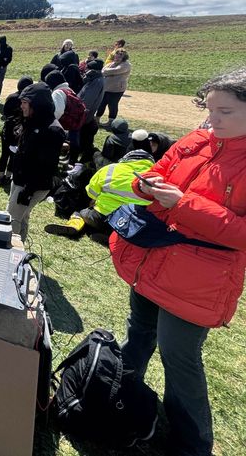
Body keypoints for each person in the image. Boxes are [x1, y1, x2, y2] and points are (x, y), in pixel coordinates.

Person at [111, 68, 246, 456]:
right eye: (209, 109)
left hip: (196, 279)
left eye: (225, 111)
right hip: (153, 259)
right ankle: (119, 393)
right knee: (139, 331)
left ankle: (192, 444)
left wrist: (183, 204)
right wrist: (145, 184)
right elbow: (157, 170)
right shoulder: (198, 140)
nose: (213, 119)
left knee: (179, 357)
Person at [45, 149, 154, 240]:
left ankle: (74, 224)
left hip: (100, 217)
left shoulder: (111, 168)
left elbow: (91, 192)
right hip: (133, 224)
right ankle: (111, 236)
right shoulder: (157, 178)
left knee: (81, 212)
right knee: (120, 229)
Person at [6, 82, 65, 241]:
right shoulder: (33, 121)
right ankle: (20, 251)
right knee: (22, 217)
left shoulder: (52, 130)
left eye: (25, 103)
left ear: (37, 105)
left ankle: (10, 253)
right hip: (21, 179)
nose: (22, 106)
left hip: (31, 184)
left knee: (12, 220)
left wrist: (28, 190)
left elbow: (46, 166)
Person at [0, 76, 33, 188]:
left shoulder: (11, 97)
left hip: (8, 128)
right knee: (13, 155)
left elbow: (4, 113)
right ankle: (8, 176)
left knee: (4, 154)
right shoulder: (28, 101)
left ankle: (1, 175)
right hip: (19, 131)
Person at [76, 59, 105, 163]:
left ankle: (85, 154)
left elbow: (87, 101)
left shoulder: (96, 82)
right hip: (86, 114)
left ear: (93, 70)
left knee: (84, 134)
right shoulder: (95, 79)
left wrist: (78, 111)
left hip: (84, 114)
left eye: (87, 68)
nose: (85, 70)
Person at [97, 48, 132, 126]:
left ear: (124, 57)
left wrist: (107, 72)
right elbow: (103, 70)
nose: (117, 58)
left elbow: (115, 71)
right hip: (106, 88)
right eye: (116, 56)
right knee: (101, 104)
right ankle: (97, 119)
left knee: (112, 105)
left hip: (117, 89)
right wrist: (107, 72)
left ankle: (110, 122)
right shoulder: (111, 63)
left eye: (119, 57)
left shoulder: (126, 65)